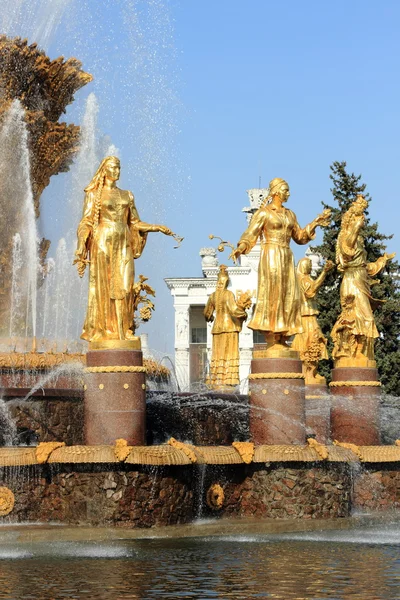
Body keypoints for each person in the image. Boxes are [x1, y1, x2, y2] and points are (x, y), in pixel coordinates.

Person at [74, 156, 172, 342]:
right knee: (104, 286)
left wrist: (155, 227)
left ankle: (125, 328)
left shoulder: (127, 195)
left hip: (124, 242)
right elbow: (86, 221)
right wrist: (81, 243)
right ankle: (105, 331)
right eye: (113, 168)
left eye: (119, 168)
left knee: (125, 286)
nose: (117, 171)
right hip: (102, 242)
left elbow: (134, 222)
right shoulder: (94, 195)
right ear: (104, 170)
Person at [230, 177, 331, 355]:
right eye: (286, 190)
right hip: (270, 255)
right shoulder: (264, 213)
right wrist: (241, 248)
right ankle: (271, 335)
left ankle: (283, 334)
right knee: (273, 293)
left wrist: (315, 222)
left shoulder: (290, 214)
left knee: (288, 295)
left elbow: (299, 237)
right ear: (276, 191)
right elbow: (250, 234)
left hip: (286, 255)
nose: (289, 193)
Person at [332, 194, 395, 364]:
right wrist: (356, 228)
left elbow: (366, 267)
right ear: (353, 218)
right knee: (360, 317)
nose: (363, 219)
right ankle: (353, 354)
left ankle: (360, 353)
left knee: (362, 317)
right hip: (351, 279)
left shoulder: (358, 239)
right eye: (360, 214)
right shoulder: (347, 235)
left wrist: (383, 260)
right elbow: (347, 251)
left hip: (360, 277)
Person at [204, 265, 251, 388]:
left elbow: (206, 313)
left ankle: (217, 381)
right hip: (229, 328)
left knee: (217, 354)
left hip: (217, 328)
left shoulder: (213, 296)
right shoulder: (228, 294)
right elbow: (233, 310)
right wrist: (244, 313)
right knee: (229, 354)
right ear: (226, 282)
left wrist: (212, 318)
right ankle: (228, 381)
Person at [292, 257, 334, 383]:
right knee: (310, 343)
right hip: (306, 317)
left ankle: (312, 372)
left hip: (308, 316)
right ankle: (308, 374)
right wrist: (324, 272)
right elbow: (311, 291)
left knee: (314, 342)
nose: (310, 268)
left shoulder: (302, 279)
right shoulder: (303, 279)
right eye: (309, 265)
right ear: (304, 266)